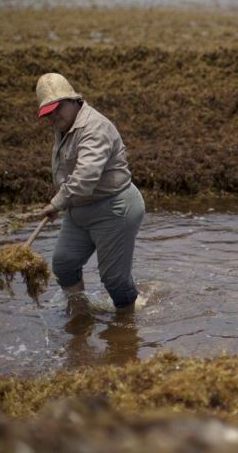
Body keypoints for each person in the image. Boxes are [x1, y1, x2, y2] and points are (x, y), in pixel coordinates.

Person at [36, 73, 145, 316]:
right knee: (64, 264)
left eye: (57, 109)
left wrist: (57, 203)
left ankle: (126, 330)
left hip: (115, 208)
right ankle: (80, 314)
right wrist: (64, 201)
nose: (53, 117)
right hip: (80, 208)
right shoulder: (64, 126)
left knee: (114, 280)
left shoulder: (95, 127)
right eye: (47, 114)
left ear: (74, 101)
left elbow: (86, 176)